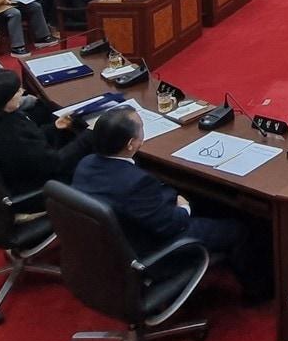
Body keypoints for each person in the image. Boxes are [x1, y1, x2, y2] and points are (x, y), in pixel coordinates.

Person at [73, 107, 268, 300]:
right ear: (131, 144)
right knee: (238, 229)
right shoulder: (135, 183)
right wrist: (184, 207)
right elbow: (172, 225)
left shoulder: (86, 164)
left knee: (204, 201)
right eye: (141, 127)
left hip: (116, 244)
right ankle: (258, 291)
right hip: (153, 250)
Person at [0, 69, 93, 211]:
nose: (22, 92)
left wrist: (54, 127)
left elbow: (32, 142)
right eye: (16, 92)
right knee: (95, 161)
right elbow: (56, 164)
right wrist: (88, 136)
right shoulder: (11, 133)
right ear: (3, 100)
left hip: (19, 174)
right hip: (36, 192)